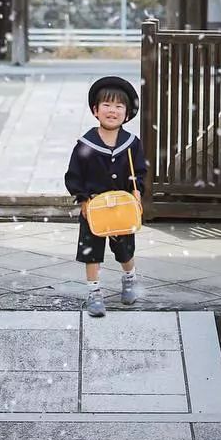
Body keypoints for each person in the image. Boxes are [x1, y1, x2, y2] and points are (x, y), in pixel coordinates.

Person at [64, 75, 147, 317]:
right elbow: (74, 175)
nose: (112, 110)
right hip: (94, 206)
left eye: (119, 106)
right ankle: (94, 293)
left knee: (125, 249)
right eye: (107, 105)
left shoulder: (131, 144)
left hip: (122, 206)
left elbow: (139, 171)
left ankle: (129, 278)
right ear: (95, 110)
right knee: (91, 251)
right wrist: (82, 199)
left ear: (127, 113)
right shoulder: (85, 145)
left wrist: (137, 191)